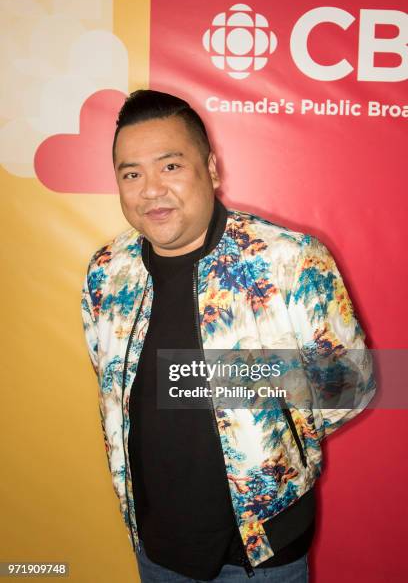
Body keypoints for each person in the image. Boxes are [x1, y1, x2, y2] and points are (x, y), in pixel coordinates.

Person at [80, 89, 376, 582]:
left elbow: (349, 389)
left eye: (170, 166)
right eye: (131, 174)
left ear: (211, 170)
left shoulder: (290, 260)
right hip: (157, 546)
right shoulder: (106, 273)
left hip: (263, 551)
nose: (151, 189)